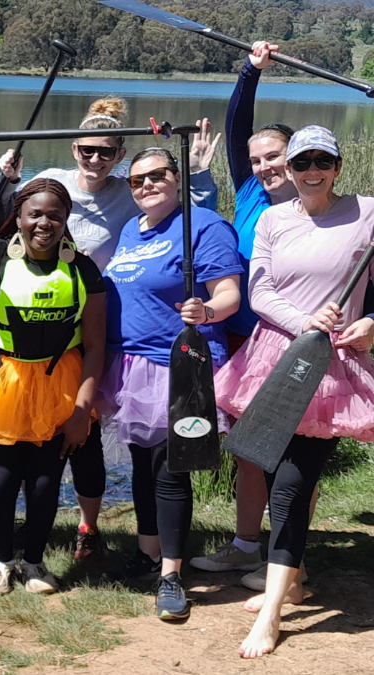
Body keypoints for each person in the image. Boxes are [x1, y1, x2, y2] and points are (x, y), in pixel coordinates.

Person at [0, 98, 221, 560]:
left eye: (107, 152)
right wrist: (2, 178)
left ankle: (88, 525)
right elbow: (1, 218)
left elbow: (188, 216)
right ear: (73, 147)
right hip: (44, 319)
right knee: (36, 439)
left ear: (119, 156)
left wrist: (196, 173)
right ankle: (21, 534)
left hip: (99, 325)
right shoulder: (52, 184)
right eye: (86, 150)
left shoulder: (130, 192)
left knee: (87, 438)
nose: (95, 160)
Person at [214, 126, 374, 658]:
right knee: (278, 470)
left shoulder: (367, 212)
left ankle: (273, 613)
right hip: (272, 359)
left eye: (321, 161)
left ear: (337, 165)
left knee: (289, 486)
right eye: (301, 160)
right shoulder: (272, 219)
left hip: (333, 372)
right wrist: (306, 319)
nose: (310, 170)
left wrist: (370, 321)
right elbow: (259, 291)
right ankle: (296, 577)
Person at [0, 122, 106, 594]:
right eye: (34, 214)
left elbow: (95, 346)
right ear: (19, 215)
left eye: (54, 216)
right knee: (0, 478)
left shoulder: (84, 268)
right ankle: (0, 560)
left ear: (66, 218)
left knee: (45, 481)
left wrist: (82, 411)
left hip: (61, 382)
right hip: (7, 378)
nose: (44, 224)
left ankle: (34, 563)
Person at [99, 147, 242, 620]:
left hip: (177, 365)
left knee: (170, 470)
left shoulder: (203, 225)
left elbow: (229, 294)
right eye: (137, 180)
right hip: (131, 366)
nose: (146, 185)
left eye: (157, 175)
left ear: (177, 178)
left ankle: (172, 575)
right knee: (143, 465)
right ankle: (146, 552)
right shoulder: (130, 230)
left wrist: (207, 311)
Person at [190, 42, 298, 586]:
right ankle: (246, 546)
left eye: (274, 156)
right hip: (239, 340)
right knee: (248, 448)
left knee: (293, 449)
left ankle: (287, 557)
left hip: (287, 343)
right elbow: (237, 126)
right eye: (257, 160)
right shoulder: (252, 192)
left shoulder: (316, 205)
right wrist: (251, 70)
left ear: (298, 156)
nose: (263, 166)